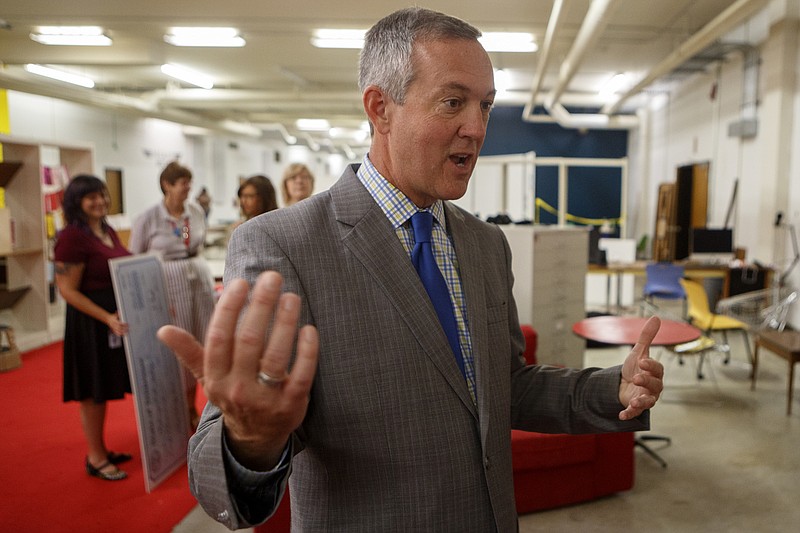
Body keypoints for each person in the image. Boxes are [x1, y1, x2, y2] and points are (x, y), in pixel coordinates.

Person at [157, 7, 664, 531]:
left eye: (485, 105)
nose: (477, 128)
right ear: (381, 108)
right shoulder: (283, 246)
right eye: (453, 102)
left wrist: (611, 389)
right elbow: (221, 477)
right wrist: (251, 442)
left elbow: (505, 386)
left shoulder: (487, 245)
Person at [54, 175, 132, 481]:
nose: (99, 201)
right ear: (77, 203)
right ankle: (96, 457)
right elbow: (68, 291)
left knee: (103, 387)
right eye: (91, 197)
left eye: (102, 195)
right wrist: (106, 317)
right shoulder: (71, 237)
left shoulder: (106, 229)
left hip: (111, 321)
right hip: (90, 323)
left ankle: (100, 450)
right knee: (92, 392)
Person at [129, 161, 215, 429]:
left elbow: (193, 241)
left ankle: (205, 405)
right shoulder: (149, 218)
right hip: (168, 286)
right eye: (182, 182)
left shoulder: (194, 212)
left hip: (198, 282)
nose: (188, 187)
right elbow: (135, 258)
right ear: (167, 184)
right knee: (178, 348)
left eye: (189, 181)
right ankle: (181, 409)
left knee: (206, 342)